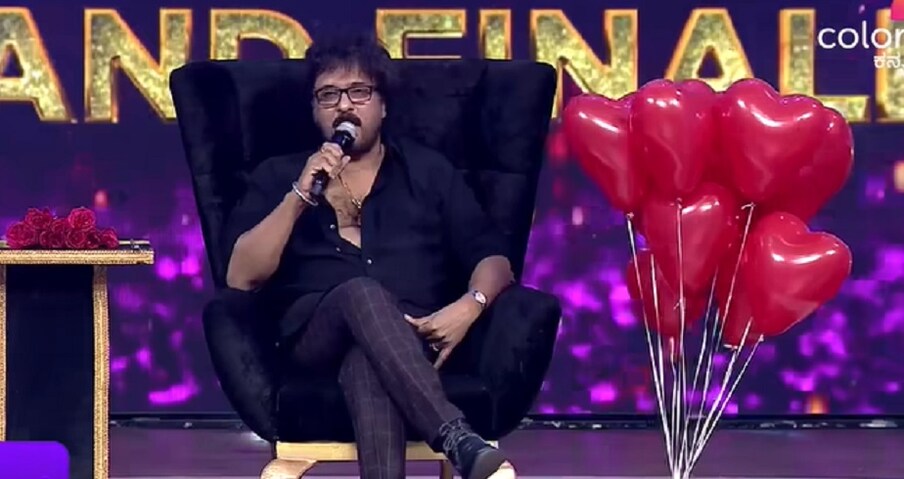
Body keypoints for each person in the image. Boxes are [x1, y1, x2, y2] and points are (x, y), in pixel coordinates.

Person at [223, 32, 517, 479]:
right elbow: (240, 277)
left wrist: (470, 305)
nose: (344, 105)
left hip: (413, 338)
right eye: (329, 95)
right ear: (315, 110)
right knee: (360, 292)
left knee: (367, 359)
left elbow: (494, 258)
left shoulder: (428, 172)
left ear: (383, 105)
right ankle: (456, 436)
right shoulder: (281, 175)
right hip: (313, 342)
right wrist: (300, 194)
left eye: (359, 92)